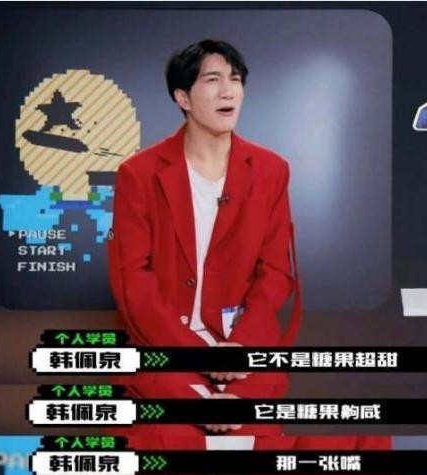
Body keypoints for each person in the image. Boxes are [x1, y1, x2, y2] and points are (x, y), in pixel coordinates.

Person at [107, 39, 301, 447]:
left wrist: (241, 349)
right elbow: (134, 283)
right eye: (212, 80)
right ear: (183, 98)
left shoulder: (271, 171)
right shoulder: (139, 174)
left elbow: (274, 274)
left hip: (243, 348)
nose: (228, 91)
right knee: (168, 438)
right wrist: (196, 356)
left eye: (235, 79)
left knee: (255, 437)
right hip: (165, 350)